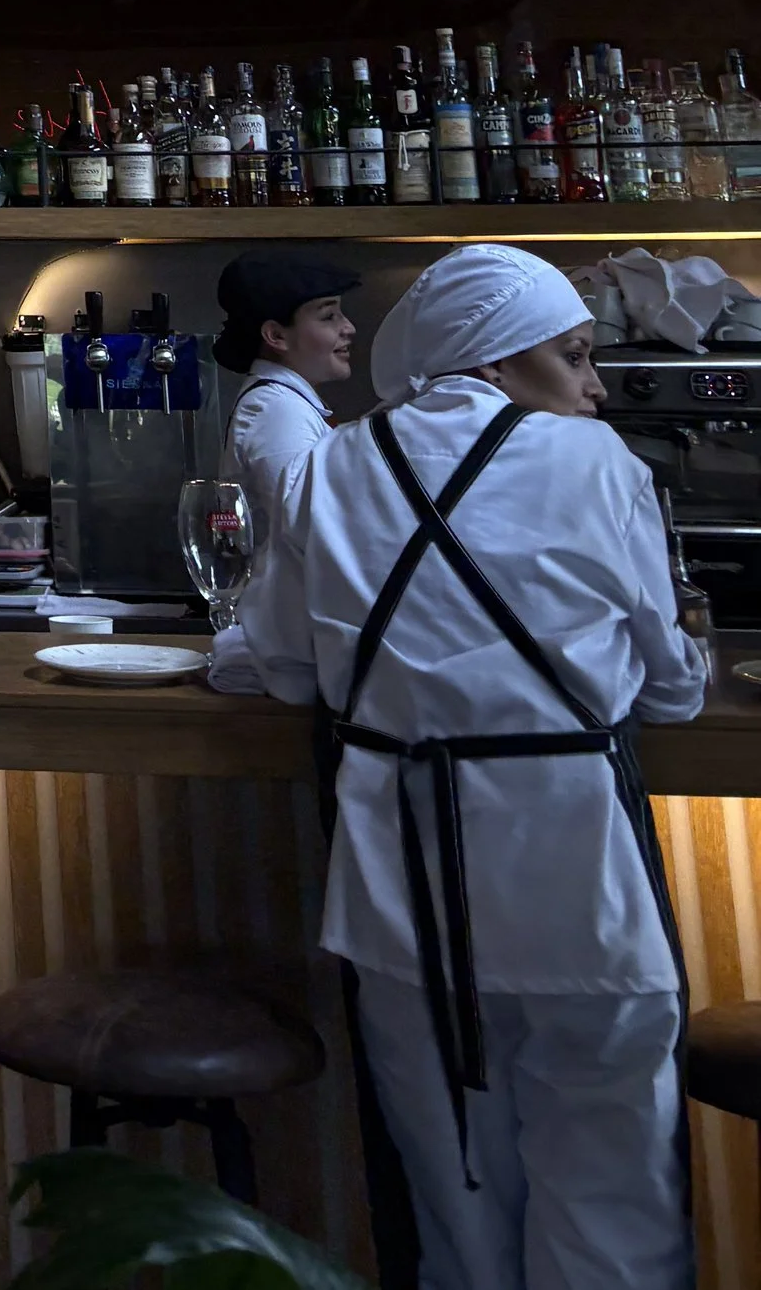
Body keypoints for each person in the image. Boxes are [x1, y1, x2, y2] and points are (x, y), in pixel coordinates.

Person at [241, 244, 710, 1290]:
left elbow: (279, 669)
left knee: (450, 1193)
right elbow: (671, 690)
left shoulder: (330, 461)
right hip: (573, 878)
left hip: (399, 884)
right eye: (575, 356)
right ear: (497, 360)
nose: (592, 387)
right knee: (613, 1191)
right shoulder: (600, 465)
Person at [206, 253, 359, 694]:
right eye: (329, 316)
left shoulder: (285, 405)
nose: (348, 328)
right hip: (285, 650)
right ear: (275, 335)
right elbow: (315, 530)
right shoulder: (278, 412)